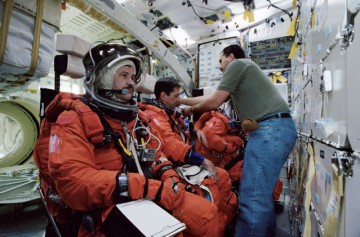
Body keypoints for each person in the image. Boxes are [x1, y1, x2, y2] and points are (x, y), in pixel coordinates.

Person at [33, 43, 220, 237]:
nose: (130, 82)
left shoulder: (136, 120)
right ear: (101, 77)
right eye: (123, 75)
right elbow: (73, 182)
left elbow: (157, 154)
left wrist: (169, 177)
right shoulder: (72, 120)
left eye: (132, 77)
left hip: (141, 196)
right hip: (101, 210)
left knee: (206, 215)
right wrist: (147, 187)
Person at [181, 44, 297, 237]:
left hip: (268, 130)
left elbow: (213, 102)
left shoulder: (237, 65)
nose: (220, 66)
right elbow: (210, 97)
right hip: (275, 129)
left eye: (220, 60)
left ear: (231, 56)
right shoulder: (244, 71)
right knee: (260, 197)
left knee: (251, 197)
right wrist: (181, 102)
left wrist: (189, 110)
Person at [138, 77, 238, 236]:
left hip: (182, 165)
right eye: (176, 96)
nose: (179, 100)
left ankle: (224, 223)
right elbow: (171, 144)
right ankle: (216, 226)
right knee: (210, 185)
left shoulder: (169, 114)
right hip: (170, 169)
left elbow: (183, 132)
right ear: (163, 96)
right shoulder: (153, 115)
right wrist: (202, 160)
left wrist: (196, 129)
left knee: (224, 176)